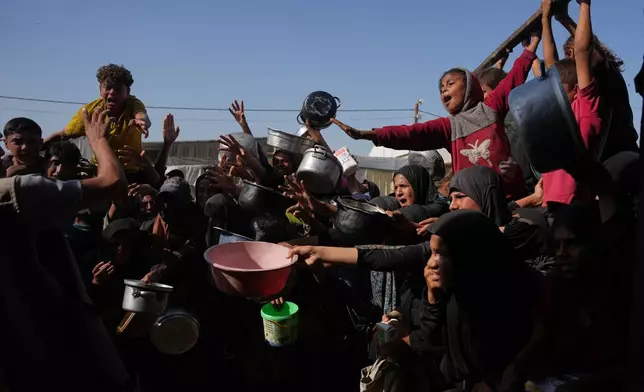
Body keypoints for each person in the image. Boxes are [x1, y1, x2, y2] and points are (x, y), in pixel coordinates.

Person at [0, 109, 128, 391]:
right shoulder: (19, 189)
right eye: (17, 141)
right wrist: (98, 140)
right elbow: (114, 183)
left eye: (33, 142)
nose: (24, 149)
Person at [332, 35, 542, 198]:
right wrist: (369, 135)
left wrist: (530, 48)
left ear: (469, 87)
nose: (444, 90)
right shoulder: (449, 127)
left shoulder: (491, 107)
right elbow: (410, 133)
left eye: (451, 84)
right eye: (441, 87)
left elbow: (514, 78)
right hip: (471, 204)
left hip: (508, 196)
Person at [540, 0, 602, 206]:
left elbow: (583, 52)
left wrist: (585, 5)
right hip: (551, 209)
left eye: (558, 87)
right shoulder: (555, 114)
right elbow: (550, 63)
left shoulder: (584, 109)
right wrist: (545, 19)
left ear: (576, 91)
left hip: (577, 209)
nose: (552, 91)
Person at [45, 64, 150, 164]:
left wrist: (141, 122)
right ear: (100, 90)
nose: (112, 92)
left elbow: (141, 115)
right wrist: (38, 146)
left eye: (118, 89)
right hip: (101, 167)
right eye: (108, 88)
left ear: (127, 92)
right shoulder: (89, 111)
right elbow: (63, 134)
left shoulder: (133, 103)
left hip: (132, 169)